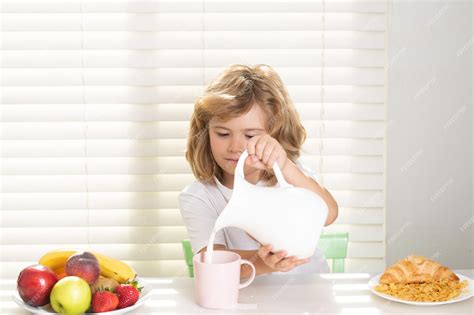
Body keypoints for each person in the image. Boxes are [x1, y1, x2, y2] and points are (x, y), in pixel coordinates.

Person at [178, 64, 338, 278]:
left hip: (311, 291)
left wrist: (284, 165)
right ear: (205, 132)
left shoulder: (289, 175)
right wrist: (264, 263)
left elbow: (329, 214)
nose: (235, 146)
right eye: (223, 134)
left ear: (274, 134)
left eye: (251, 136)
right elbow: (212, 260)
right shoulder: (200, 197)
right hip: (250, 297)